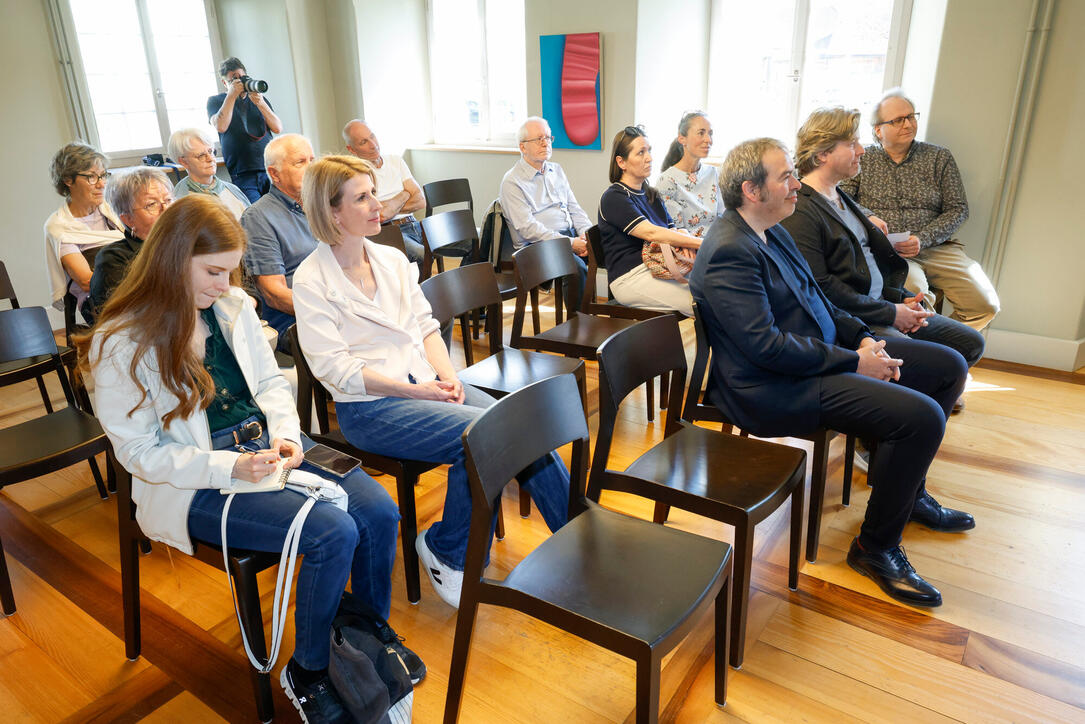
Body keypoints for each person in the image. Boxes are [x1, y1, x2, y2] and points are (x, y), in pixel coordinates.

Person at [80, 194, 409, 724]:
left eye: (230, 272)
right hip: (194, 480)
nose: (223, 285)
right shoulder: (122, 341)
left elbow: (272, 386)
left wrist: (285, 436)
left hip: (262, 449)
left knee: (378, 513)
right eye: (213, 271)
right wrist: (228, 467)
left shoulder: (231, 306)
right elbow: (139, 452)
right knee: (333, 533)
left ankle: (362, 638)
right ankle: (310, 670)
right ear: (172, 258)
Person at [689, 138, 974, 608]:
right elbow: (765, 348)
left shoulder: (773, 228)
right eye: (784, 176)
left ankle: (904, 490)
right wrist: (854, 360)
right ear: (752, 190)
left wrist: (863, 337)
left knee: (948, 366)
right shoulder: (728, 251)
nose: (795, 183)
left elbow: (817, 302)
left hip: (812, 358)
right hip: (771, 387)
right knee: (922, 418)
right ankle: (875, 548)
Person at [292, 155, 572, 610]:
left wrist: (447, 377)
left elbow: (425, 326)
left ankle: (572, 535)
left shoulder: (390, 257)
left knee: (521, 422)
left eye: (372, 192)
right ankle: (450, 551)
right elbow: (335, 370)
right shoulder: (311, 280)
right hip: (371, 407)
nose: (376, 203)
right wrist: (415, 391)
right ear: (332, 212)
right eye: (361, 197)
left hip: (427, 384)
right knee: (483, 436)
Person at [782, 107, 985, 416]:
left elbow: (868, 267)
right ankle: (886, 427)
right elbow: (821, 288)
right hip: (856, 320)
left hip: (880, 304)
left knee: (969, 342)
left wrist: (902, 299)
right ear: (823, 154)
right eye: (851, 143)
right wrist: (892, 313)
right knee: (949, 366)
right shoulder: (803, 209)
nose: (861, 150)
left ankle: (913, 411)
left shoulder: (841, 198)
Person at [839, 89, 1000, 330]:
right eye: (897, 120)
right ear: (878, 130)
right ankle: (935, 359)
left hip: (937, 248)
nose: (908, 124)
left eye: (911, 116)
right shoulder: (862, 159)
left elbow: (958, 209)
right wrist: (869, 215)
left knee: (985, 304)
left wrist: (922, 239)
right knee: (915, 299)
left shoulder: (939, 157)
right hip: (889, 251)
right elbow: (841, 199)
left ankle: (952, 350)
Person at [597, 125, 702, 317]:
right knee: (702, 304)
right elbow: (652, 233)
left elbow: (673, 230)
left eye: (649, 151)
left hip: (661, 267)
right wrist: (703, 244)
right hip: (630, 277)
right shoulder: (614, 197)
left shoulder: (651, 193)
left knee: (715, 290)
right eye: (641, 153)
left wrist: (685, 236)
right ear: (621, 162)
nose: (649, 158)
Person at [500, 116, 592, 312]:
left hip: (567, 237)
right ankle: (578, 330)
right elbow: (528, 229)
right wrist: (569, 244)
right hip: (534, 248)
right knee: (575, 269)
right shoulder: (512, 181)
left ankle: (611, 320)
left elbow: (575, 208)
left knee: (612, 250)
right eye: (539, 139)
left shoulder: (556, 170)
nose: (545, 143)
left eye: (548, 138)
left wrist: (588, 234)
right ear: (522, 147)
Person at [240, 134, 317, 348]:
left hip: (336, 307)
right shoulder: (258, 217)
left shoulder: (321, 205)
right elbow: (275, 294)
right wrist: (331, 310)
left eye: (313, 160)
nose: (311, 168)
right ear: (275, 174)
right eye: (300, 162)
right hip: (295, 322)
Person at [44, 142, 124, 320]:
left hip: (136, 290)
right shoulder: (60, 226)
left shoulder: (114, 210)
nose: (102, 184)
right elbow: (87, 282)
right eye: (91, 177)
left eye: (103, 175)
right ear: (67, 180)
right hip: (99, 303)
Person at [84, 167, 174, 322]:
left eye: (168, 200)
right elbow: (121, 322)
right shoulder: (113, 260)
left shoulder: (188, 243)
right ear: (128, 219)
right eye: (151, 204)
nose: (165, 209)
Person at [343, 119, 426, 263]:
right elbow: (381, 215)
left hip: (414, 223)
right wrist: (405, 194)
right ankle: (421, 284)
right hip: (388, 232)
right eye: (363, 142)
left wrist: (390, 207)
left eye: (372, 136)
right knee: (423, 255)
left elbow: (420, 201)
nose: (373, 145)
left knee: (469, 242)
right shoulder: (357, 174)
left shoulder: (396, 160)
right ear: (351, 149)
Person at [207, 57, 283, 202]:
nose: (240, 82)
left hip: (270, 168)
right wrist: (231, 95)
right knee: (254, 214)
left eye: (242, 78)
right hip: (242, 173)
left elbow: (277, 127)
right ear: (224, 83)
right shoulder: (216, 101)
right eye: (233, 80)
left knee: (278, 210)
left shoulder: (258, 98)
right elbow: (221, 126)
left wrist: (261, 103)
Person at [656, 111, 725, 238]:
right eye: (701, 133)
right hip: (689, 249)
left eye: (710, 134)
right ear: (682, 138)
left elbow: (725, 218)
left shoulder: (716, 174)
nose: (708, 140)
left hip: (720, 243)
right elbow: (677, 233)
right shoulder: (667, 181)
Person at [169, 127, 250, 219]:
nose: (210, 159)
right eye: (201, 155)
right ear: (184, 162)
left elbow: (252, 225)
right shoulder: (180, 200)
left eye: (210, 151)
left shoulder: (232, 190)